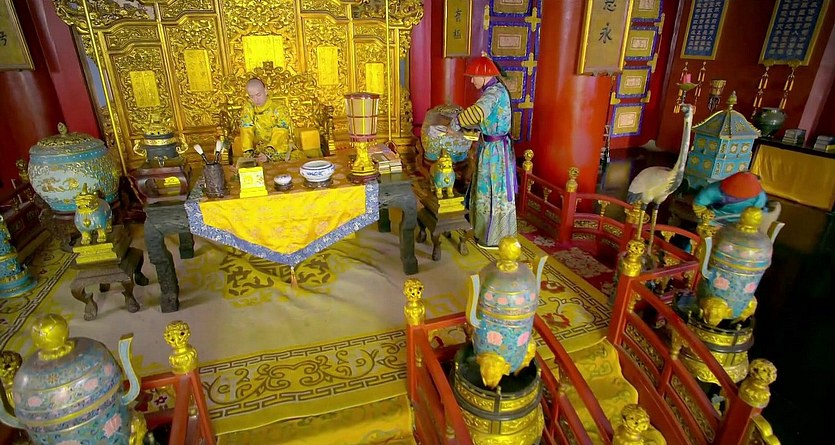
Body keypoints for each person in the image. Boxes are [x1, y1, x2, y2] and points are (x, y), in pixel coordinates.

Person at [449, 54, 516, 248]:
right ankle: (485, 232)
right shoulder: (496, 90)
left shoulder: (493, 93)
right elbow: (486, 121)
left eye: (473, 77)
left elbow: (478, 112)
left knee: (491, 191)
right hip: (492, 148)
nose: (472, 81)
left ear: (485, 76)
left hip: (494, 153)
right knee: (487, 190)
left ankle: (492, 237)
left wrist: (456, 123)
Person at [237, 78, 306, 162]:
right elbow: (246, 129)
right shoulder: (249, 108)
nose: (256, 100)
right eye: (252, 96)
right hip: (260, 149)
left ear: (265, 90)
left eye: (258, 95)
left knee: (297, 160)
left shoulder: (279, 108)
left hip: (280, 148)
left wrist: (268, 152)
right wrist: (248, 152)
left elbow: (281, 131)